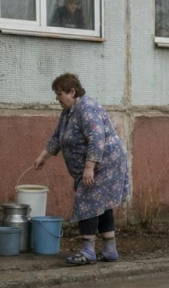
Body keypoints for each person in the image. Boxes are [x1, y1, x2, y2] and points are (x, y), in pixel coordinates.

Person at [34, 73, 131, 266]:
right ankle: (110, 250)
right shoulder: (69, 112)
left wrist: (89, 168)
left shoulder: (87, 108)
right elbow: (57, 137)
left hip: (105, 163)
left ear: (72, 91)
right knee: (100, 204)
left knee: (86, 201)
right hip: (98, 164)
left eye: (59, 93)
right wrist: (43, 156)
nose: (56, 98)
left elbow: (96, 138)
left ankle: (88, 251)